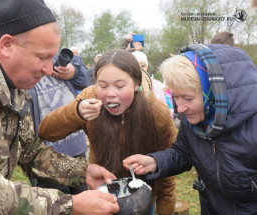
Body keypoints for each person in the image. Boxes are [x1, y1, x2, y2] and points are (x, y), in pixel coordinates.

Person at [0, 0, 120, 214]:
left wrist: (83, 172)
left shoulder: (10, 78)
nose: (49, 69)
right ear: (7, 45)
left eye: (52, 57)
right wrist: (70, 205)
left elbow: (31, 151)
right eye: (42, 57)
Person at [39, 49, 176, 215]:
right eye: (103, 86)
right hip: (102, 197)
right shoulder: (89, 98)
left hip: (142, 199)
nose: (110, 94)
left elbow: (168, 173)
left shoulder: (157, 112)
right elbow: (46, 132)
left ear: (136, 84)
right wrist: (76, 112)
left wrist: (165, 211)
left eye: (119, 86)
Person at [123, 44, 257, 214]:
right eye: (176, 97)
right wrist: (155, 162)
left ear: (215, 93)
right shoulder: (195, 121)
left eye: (187, 98)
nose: (180, 108)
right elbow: (184, 152)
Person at [28, 49, 91, 195]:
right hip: (45, 153)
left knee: (83, 194)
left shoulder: (58, 57)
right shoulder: (23, 64)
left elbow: (87, 80)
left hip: (75, 145)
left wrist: (74, 72)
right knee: (57, 201)